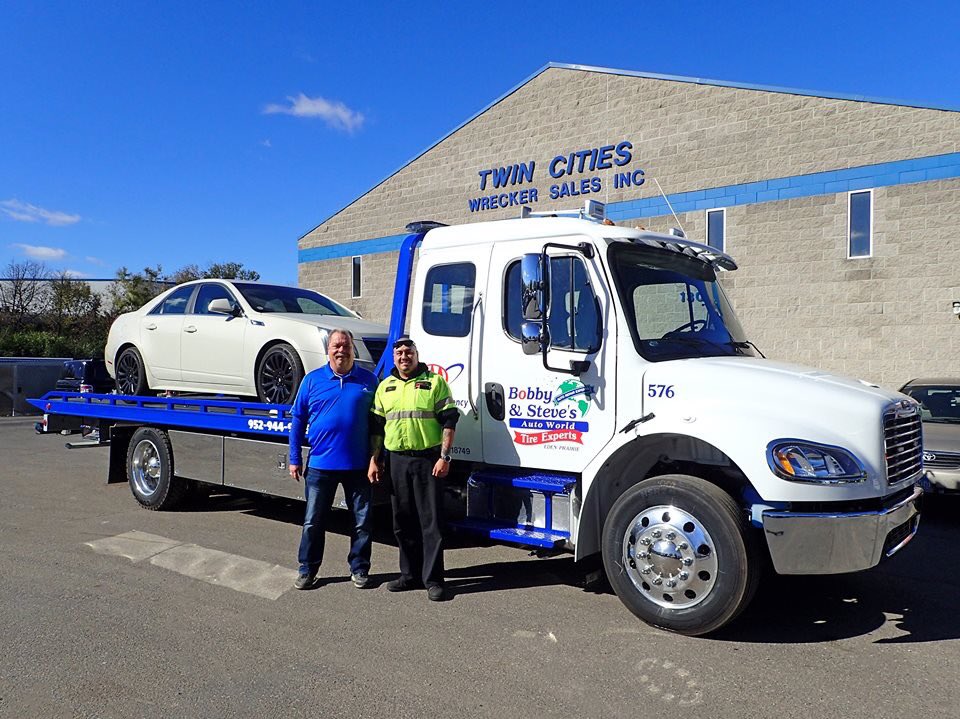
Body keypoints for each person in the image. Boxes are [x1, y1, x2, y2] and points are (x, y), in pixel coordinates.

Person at [368, 335, 459, 602]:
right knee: (402, 521)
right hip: (397, 460)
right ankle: (409, 575)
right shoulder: (385, 387)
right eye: (399, 353)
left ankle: (433, 580)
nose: (404, 357)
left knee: (431, 523)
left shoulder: (434, 383)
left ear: (416, 354)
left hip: (427, 460)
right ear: (393, 358)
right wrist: (376, 458)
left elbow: (450, 421)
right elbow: (377, 427)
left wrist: (445, 457)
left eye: (408, 352)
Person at [288, 328, 379, 590]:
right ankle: (307, 569)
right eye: (336, 346)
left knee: (362, 522)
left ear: (353, 349)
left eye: (346, 345)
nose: (341, 350)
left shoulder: (369, 381)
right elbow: (297, 421)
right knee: (313, 522)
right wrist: (295, 458)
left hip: (358, 466)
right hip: (320, 466)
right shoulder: (312, 380)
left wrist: (376, 458)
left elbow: (377, 425)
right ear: (328, 351)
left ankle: (360, 568)